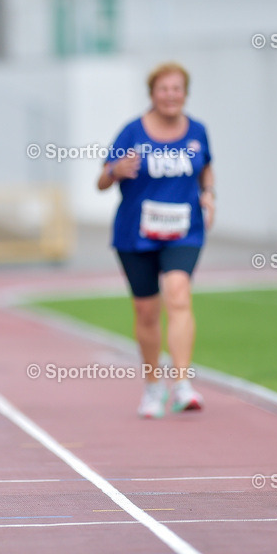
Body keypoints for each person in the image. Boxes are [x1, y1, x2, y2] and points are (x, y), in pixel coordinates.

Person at [97, 62, 215, 419]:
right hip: (136, 234)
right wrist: (114, 172)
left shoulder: (197, 132)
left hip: (184, 231)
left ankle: (182, 385)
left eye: (177, 89)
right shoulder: (132, 132)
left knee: (178, 293)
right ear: (152, 94)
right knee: (146, 311)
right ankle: (152, 387)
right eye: (164, 89)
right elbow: (101, 181)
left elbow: (205, 166)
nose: (170, 95)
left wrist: (208, 193)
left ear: (185, 93)